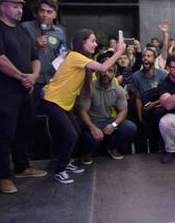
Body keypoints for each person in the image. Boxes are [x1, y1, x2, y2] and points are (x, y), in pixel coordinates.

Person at [0, 0, 47, 194]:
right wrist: (22, 76)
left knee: (23, 130)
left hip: (25, 90)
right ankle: (3, 176)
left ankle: (22, 166)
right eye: (15, 6)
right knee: (4, 134)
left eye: (21, 7)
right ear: (3, 6)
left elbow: (35, 57)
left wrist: (34, 76)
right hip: (4, 92)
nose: (20, 10)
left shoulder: (22, 31)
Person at [40, 29, 124, 184]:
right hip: (53, 101)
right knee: (71, 135)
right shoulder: (75, 56)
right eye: (92, 41)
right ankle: (60, 170)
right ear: (82, 42)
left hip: (62, 104)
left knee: (75, 132)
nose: (96, 44)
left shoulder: (78, 58)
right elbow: (103, 68)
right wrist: (118, 52)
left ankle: (65, 162)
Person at [78, 54, 137, 163]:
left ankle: (111, 147)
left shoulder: (118, 89)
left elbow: (123, 110)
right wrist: (92, 128)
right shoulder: (89, 87)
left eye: (110, 71)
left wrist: (114, 125)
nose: (106, 74)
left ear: (114, 74)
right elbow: (82, 111)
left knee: (130, 127)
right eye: (104, 70)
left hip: (108, 121)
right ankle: (87, 152)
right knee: (88, 136)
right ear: (98, 71)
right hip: (92, 122)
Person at [20, 0, 67, 104]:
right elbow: (18, 52)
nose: (44, 14)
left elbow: (62, 56)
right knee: (30, 115)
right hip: (31, 80)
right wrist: (34, 45)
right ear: (37, 12)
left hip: (52, 81)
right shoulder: (25, 27)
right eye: (42, 11)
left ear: (55, 15)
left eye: (49, 12)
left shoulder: (60, 32)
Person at [127, 47, 167, 154]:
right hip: (145, 109)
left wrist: (154, 104)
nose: (145, 58)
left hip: (160, 109)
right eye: (144, 56)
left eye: (149, 56)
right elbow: (138, 97)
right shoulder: (136, 76)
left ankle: (158, 151)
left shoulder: (162, 75)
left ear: (154, 59)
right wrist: (140, 117)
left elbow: (168, 96)